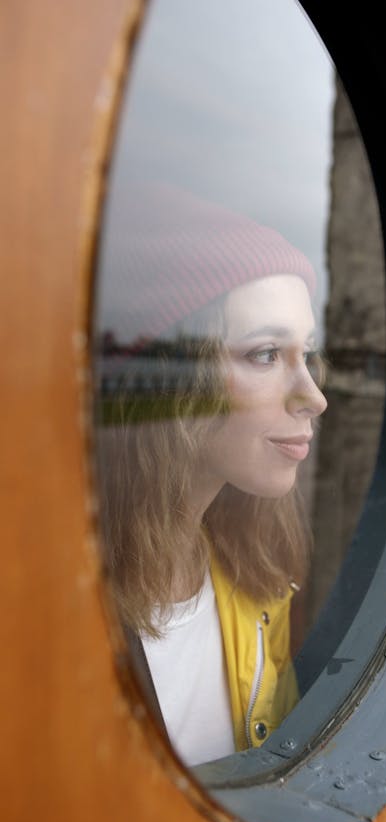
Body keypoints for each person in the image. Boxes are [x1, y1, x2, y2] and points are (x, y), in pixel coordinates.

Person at [95, 183, 327, 766]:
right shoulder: (53, 597)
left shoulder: (256, 581)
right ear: (173, 380)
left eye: (309, 352)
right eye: (266, 355)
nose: (314, 397)